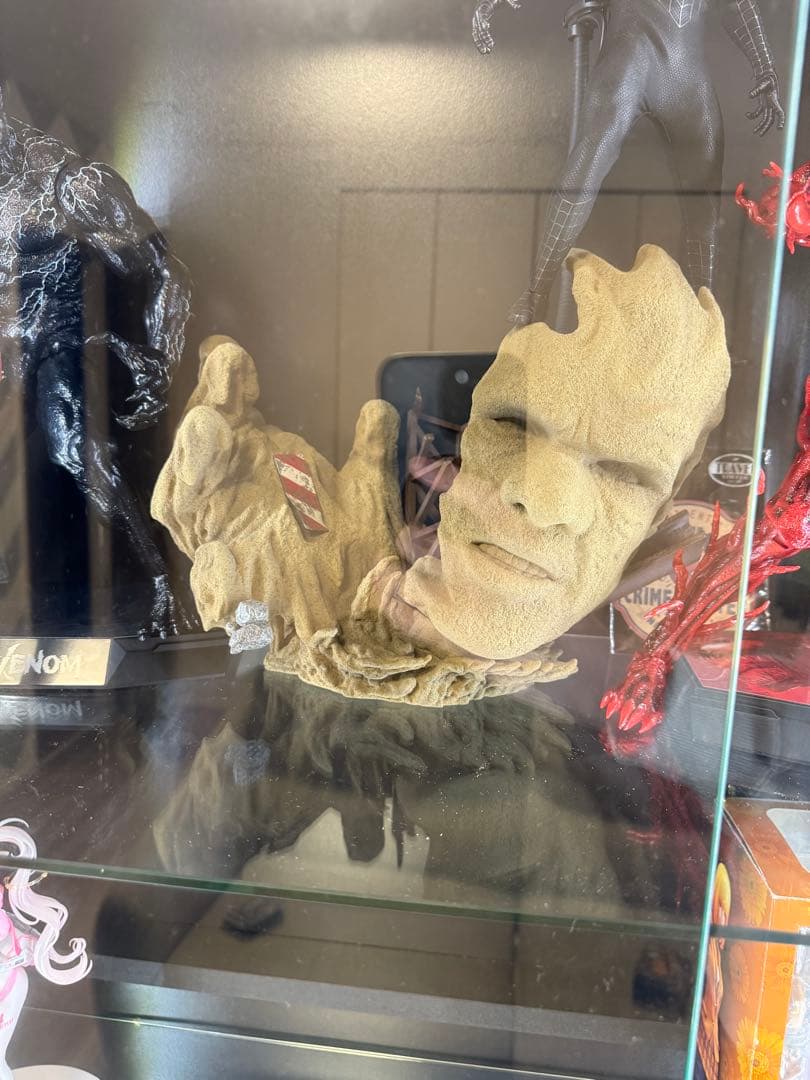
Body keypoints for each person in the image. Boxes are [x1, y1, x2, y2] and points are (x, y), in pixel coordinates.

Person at [152, 245, 730, 705]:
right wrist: (257, 619)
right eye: (510, 425)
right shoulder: (326, 566)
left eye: (624, 473)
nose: (548, 498)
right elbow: (248, 649)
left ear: (658, 517)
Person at [472, 0, 784, 325]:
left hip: (684, 77)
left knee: (705, 199)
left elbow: (737, 4)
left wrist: (765, 68)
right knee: (584, 170)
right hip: (629, 65)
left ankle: (703, 314)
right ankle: (536, 294)